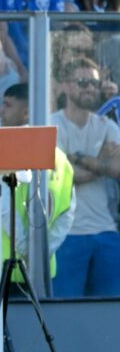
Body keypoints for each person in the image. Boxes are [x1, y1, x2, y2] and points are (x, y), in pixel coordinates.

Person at [0, 83, 76, 285]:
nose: (0, 110)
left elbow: (3, 208)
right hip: (41, 271)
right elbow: (67, 215)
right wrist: (42, 253)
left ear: (26, 112)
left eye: (7, 105)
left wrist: (26, 251)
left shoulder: (6, 150)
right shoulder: (60, 158)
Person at [52, 58, 120, 296]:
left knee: (112, 313)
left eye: (94, 83)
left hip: (106, 232)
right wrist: (102, 162)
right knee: (64, 311)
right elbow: (65, 178)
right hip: (66, 235)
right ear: (67, 86)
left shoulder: (107, 126)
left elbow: (119, 169)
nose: (90, 88)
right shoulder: (52, 125)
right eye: (83, 82)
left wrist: (80, 159)